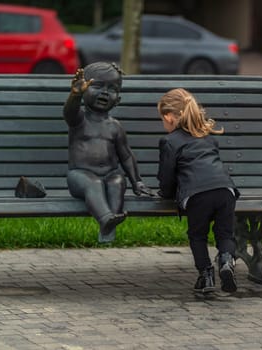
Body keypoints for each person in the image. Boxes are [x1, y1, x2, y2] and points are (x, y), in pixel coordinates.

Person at [156, 88, 240, 294]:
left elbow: (167, 176)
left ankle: (206, 276)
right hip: (225, 191)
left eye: (161, 118)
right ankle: (226, 261)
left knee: (198, 235)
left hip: (198, 194)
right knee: (225, 234)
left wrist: (166, 194)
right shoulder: (208, 138)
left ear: (169, 116)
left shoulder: (169, 141)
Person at [63, 62, 152, 243]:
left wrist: (138, 182)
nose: (105, 92)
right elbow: (69, 112)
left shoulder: (115, 127)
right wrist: (75, 95)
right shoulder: (79, 119)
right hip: (79, 176)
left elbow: (126, 156)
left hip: (109, 173)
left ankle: (110, 224)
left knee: (118, 181)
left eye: (112, 89)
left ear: (118, 99)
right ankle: (105, 219)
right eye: (97, 86)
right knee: (93, 182)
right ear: (85, 89)